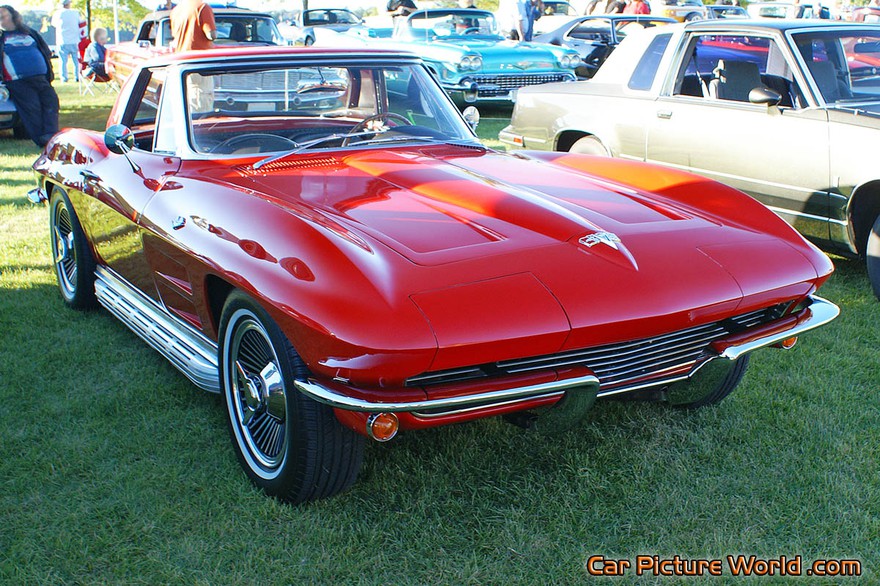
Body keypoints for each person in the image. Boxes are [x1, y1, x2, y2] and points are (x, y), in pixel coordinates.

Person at [0, 4, 59, 146]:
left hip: (40, 78)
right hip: (18, 81)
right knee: (32, 110)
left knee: (51, 102)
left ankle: (51, 136)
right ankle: (41, 140)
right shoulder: (2, 38)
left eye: (3, 16)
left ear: (13, 16)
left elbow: (44, 50)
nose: (1, 19)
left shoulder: (29, 32)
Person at [52, 0, 81, 82]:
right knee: (76, 61)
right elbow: (80, 23)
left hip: (62, 40)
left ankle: (64, 78)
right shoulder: (75, 13)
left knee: (63, 61)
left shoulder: (57, 13)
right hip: (75, 40)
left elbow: (54, 24)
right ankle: (77, 76)